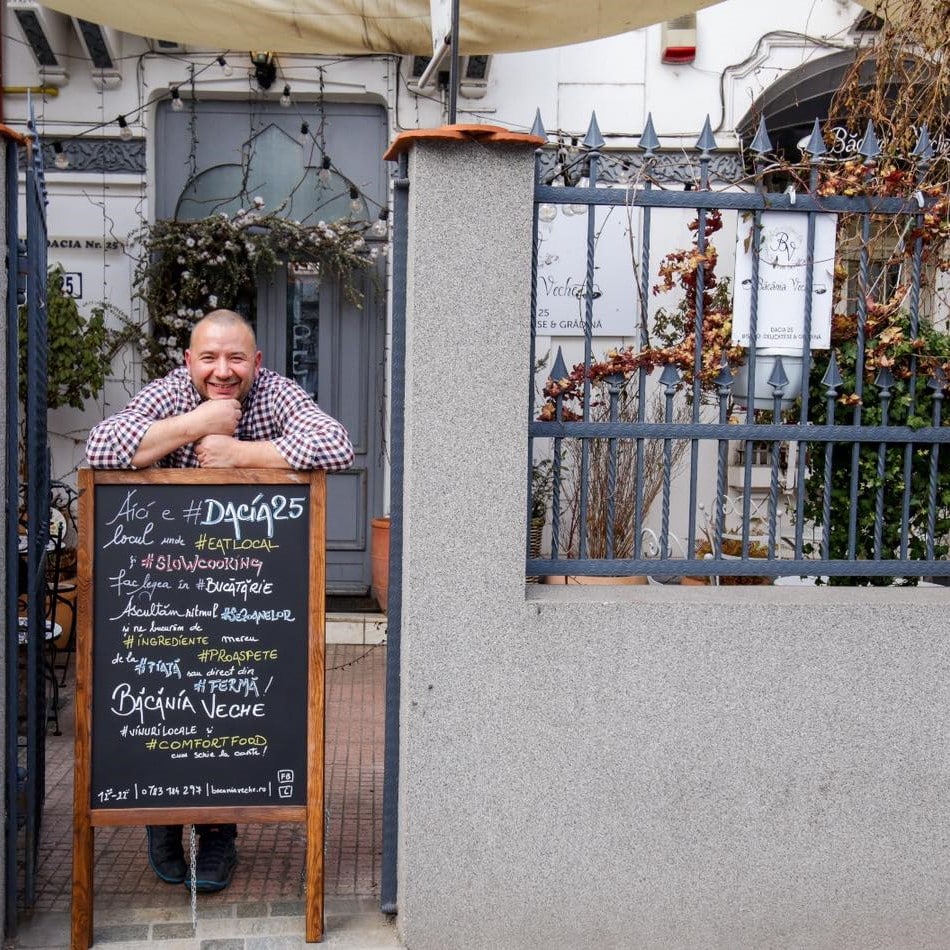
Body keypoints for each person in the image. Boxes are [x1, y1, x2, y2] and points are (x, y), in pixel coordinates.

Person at [86, 309, 354, 892]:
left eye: (236, 358)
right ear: (189, 361)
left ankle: (217, 833)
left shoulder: (275, 394)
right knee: (162, 697)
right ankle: (160, 815)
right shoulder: (170, 394)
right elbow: (100, 447)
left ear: (257, 362)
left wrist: (242, 455)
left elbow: (336, 444)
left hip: (242, 592)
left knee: (226, 700)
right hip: (158, 591)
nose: (223, 371)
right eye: (209, 358)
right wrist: (196, 424)